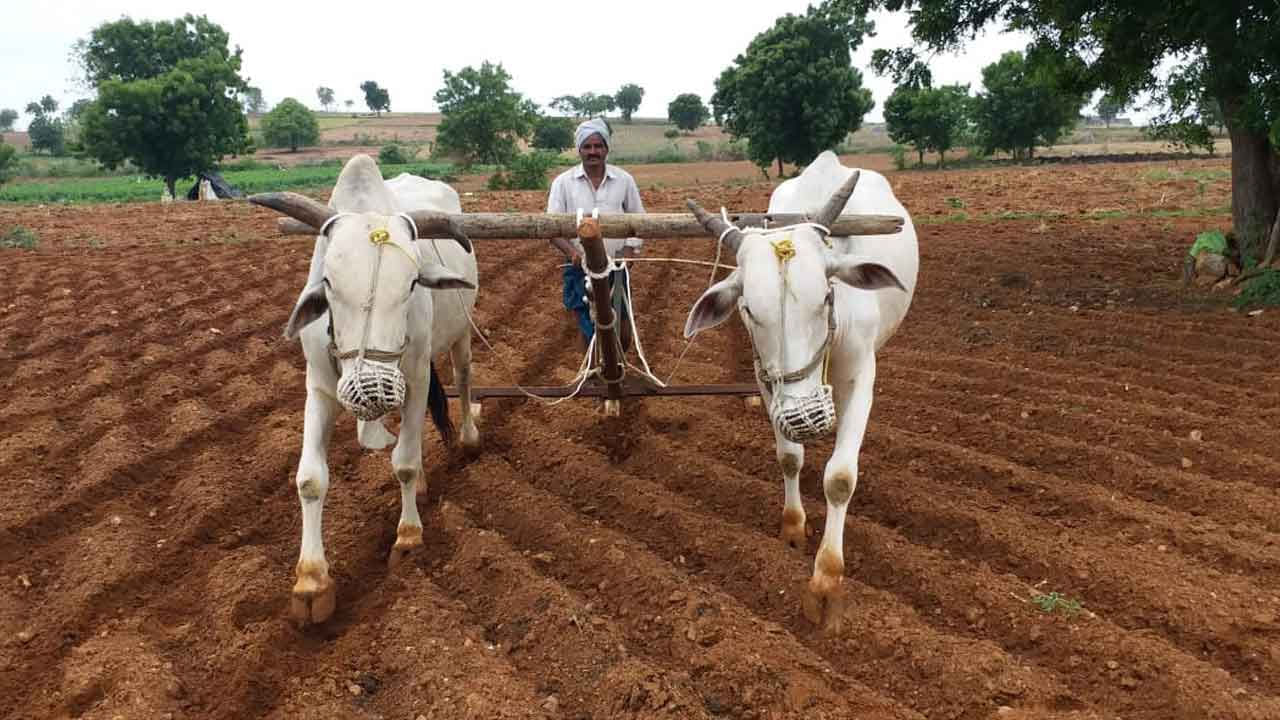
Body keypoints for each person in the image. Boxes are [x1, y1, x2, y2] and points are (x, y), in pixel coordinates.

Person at [547, 117, 645, 350]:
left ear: (606, 149)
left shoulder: (624, 180)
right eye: (587, 147)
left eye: (598, 146)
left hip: (616, 269)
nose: (593, 152)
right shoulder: (563, 183)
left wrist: (629, 251)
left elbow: (639, 219)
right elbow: (552, 228)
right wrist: (572, 254)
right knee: (587, 330)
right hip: (580, 268)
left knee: (622, 332)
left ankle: (617, 375)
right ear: (579, 150)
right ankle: (591, 379)